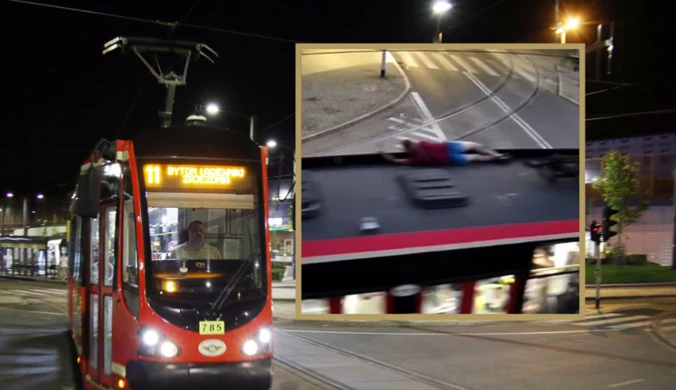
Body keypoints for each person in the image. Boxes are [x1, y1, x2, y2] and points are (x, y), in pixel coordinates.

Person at [379, 140, 511, 166]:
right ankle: (497, 155)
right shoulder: (421, 143)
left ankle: (496, 158)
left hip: (449, 159)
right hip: (450, 147)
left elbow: (397, 161)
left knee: (476, 157)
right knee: (476, 146)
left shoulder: (415, 159)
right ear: (412, 144)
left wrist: (385, 155)